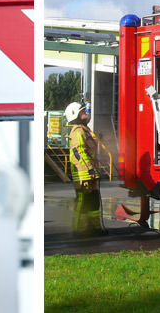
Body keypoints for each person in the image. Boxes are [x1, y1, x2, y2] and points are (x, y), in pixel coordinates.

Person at [65, 101, 104, 236]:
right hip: (84, 175)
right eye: (83, 112)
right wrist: (90, 170)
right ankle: (78, 230)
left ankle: (94, 228)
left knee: (93, 201)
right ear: (75, 115)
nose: (86, 114)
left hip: (88, 173)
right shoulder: (78, 132)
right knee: (82, 202)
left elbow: (88, 151)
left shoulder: (84, 130)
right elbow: (79, 152)